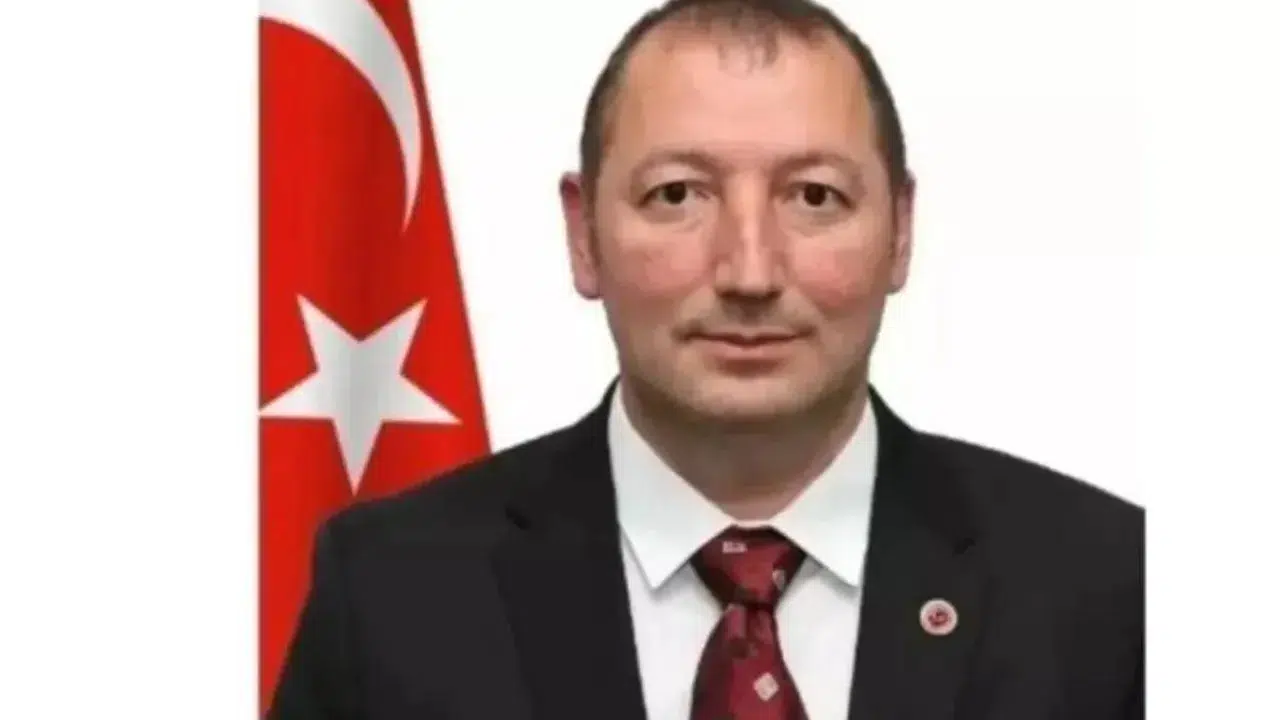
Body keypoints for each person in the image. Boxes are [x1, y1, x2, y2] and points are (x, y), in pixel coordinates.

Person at [268, 0, 1144, 717]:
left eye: (815, 196)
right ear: (583, 235)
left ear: (901, 231)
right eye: (677, 195)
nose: (749, 272)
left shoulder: (1109, 591)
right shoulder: (392, 594)